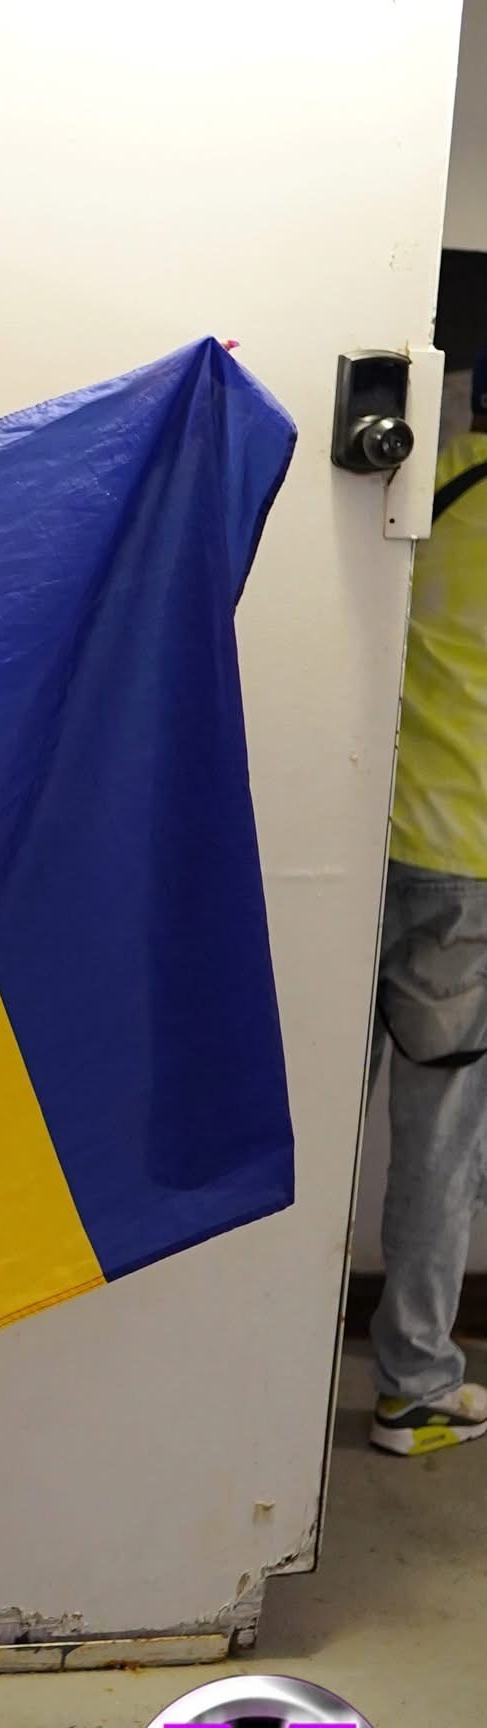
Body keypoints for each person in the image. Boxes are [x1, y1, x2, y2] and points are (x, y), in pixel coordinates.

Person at [367, 348, 487, 1456]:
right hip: (467, 868)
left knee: (313, 1112)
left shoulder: (433, 480)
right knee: (439, 1135)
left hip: (363, 840)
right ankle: (411, 1384)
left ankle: (257, 1389)